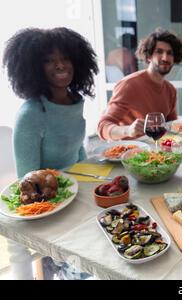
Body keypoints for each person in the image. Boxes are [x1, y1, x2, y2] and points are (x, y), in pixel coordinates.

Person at [2, 27, 99, 279]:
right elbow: (28, 180)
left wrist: (91, 190)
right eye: (48, 60)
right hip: (47, 209)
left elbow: (78, 153)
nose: (60, 65)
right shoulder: (31, 114)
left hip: (75, 196)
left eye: (65, 57)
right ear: (34, 67)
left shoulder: (74, 101)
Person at [97, 28, 182, 141]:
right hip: (130, 153)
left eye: (170, 53)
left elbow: (172, 127)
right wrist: (128, 130)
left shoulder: (170, 90)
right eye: (159, 51)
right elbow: (102, 127)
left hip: (158, 151)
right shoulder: (129, 85)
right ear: (148, 56)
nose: (165, 57)